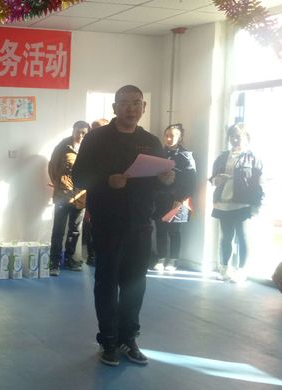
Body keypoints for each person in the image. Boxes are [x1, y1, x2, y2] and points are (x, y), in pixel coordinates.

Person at [72, 85, 174, 367]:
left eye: (136, 103)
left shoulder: (151, 141)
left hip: (140, 223)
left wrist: (166, 181)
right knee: (107, 282)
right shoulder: (96, 138)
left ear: (143, 107)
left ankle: (129, 338)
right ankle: (108, 339)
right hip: (107, 222)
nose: (131, 108)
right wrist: (107, 181)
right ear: (115, 107)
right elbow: (79, 176)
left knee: (135, 284)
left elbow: (156, 183)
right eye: (125, 103)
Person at [210, 122, 263, 283]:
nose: (235, 140)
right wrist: (217, 180)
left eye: (238, 136)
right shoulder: (222, 156)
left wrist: (257, 205)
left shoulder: (253, 158)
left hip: (243, 204)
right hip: (223, 203)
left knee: (242, 236)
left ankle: (241, 270)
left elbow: (259, 184)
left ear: (246, 138)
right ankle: (225, 268)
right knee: (226, 237)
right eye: (232, 136)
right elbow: (213, 179)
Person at [152, 124, 196, 272]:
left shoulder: (186, 156)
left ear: (180, 137)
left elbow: (191, 181)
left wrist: (180, 198)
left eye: (173, 136)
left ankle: (173, 260)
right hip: (160, 198)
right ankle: (161, 258)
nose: (169, 139)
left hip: (178, 199)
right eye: (167, 135)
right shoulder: (159, 154)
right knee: (160, 229)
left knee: (174, 230)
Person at [48, 120, 90, 275]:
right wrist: (58, 185)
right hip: (63, 195)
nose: (80, 135)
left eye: (84, 133)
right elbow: (52, 167)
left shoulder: (89, 148)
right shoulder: (63, 146)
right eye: (78, 131)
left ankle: (70, 259)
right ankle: (54, 262)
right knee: (58, 229)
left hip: (81, 196)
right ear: (73, 130)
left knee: (75, 230)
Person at [82, 118, 109, 267]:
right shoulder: (89, 146)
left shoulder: (112, 147)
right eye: (94, 129)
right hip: (93, 196)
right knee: (92, 226)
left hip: (113, 199)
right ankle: (92, 255)